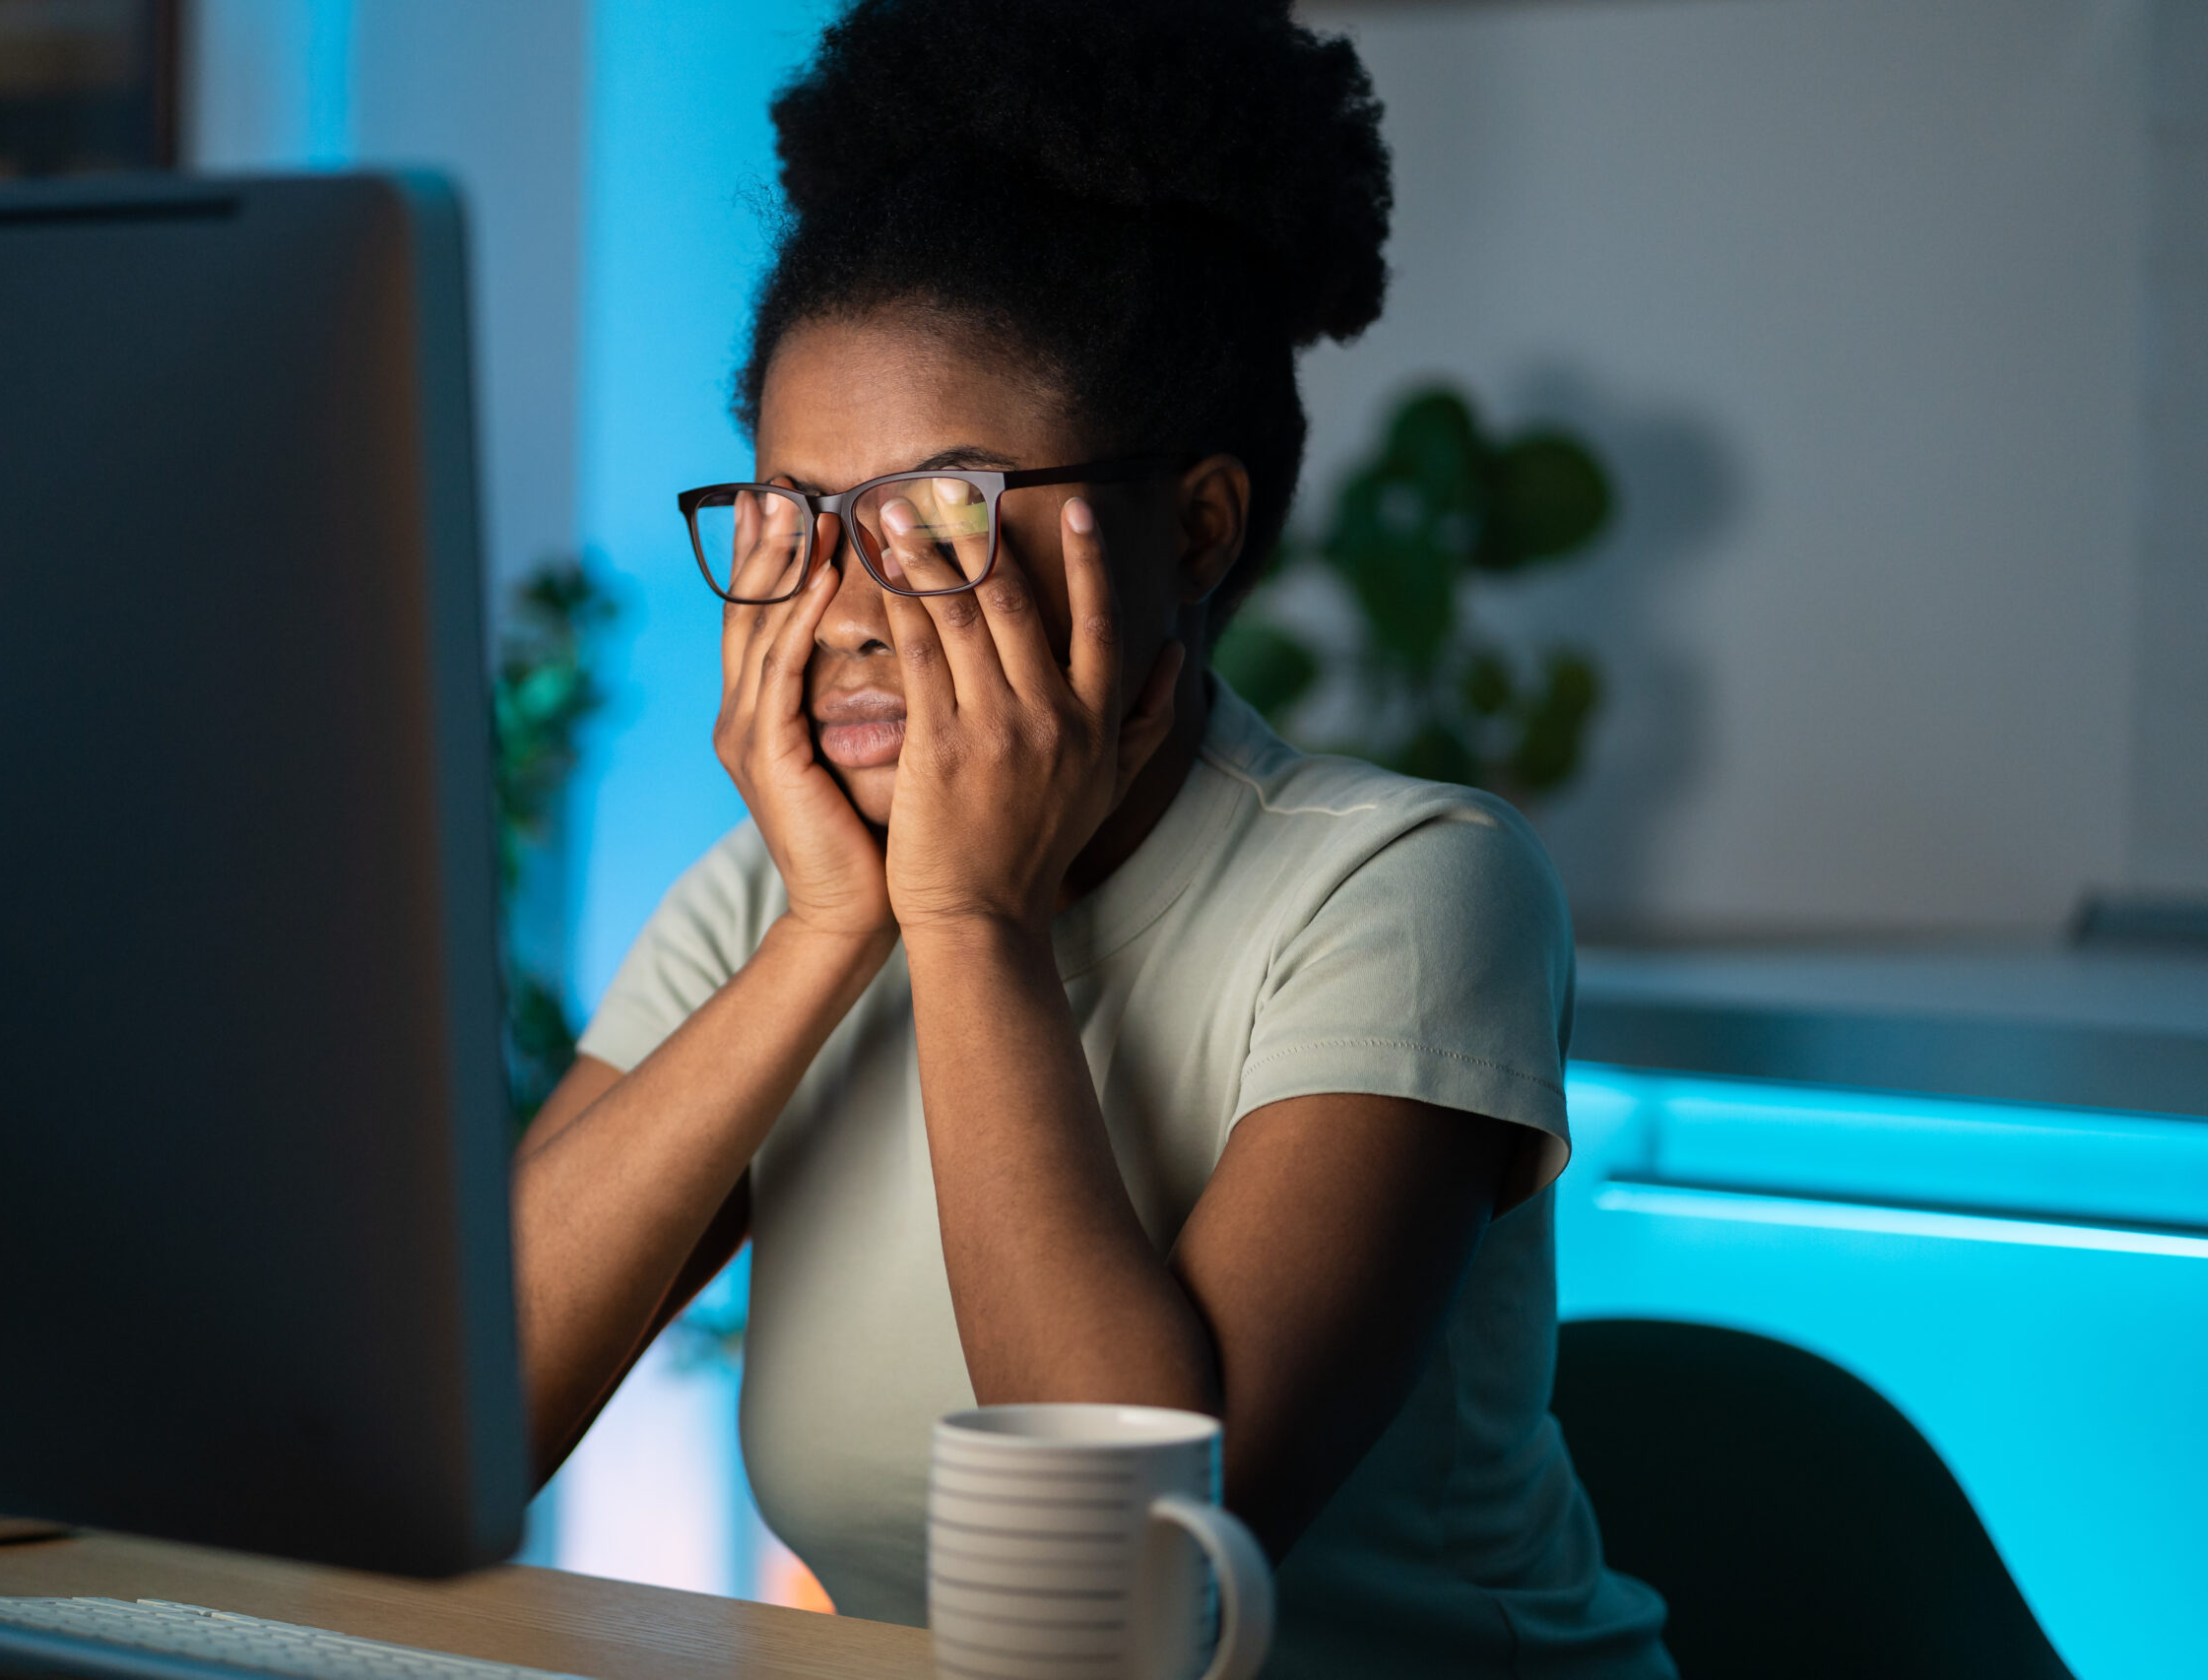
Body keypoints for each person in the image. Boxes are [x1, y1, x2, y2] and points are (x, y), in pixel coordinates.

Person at [511, 2, 1673, 1673]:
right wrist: (835, 934)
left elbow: (1145, 1582)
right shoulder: (774, 899)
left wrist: (973, 924)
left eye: (936, 516)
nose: (839, 608)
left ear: (1194, 528)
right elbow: (467, 1430)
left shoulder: (1406, 888)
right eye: (793, 516)